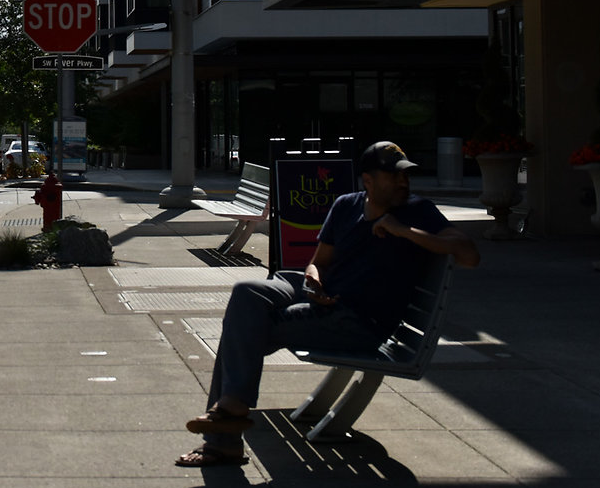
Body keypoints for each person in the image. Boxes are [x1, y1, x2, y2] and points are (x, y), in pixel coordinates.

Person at [177, 140, 480, 469]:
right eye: (394, 176)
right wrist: (313, 278)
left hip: (357, 321)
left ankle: (226, 432)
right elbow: (318, 261)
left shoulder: (417, 211)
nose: (403, 182)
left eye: (405, 175)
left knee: (242, 328)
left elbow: (469, 255)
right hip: (319, 296)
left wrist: (404, 231)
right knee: (247, 294)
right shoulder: (347, 205)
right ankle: (230, 413)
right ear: (368, 180)